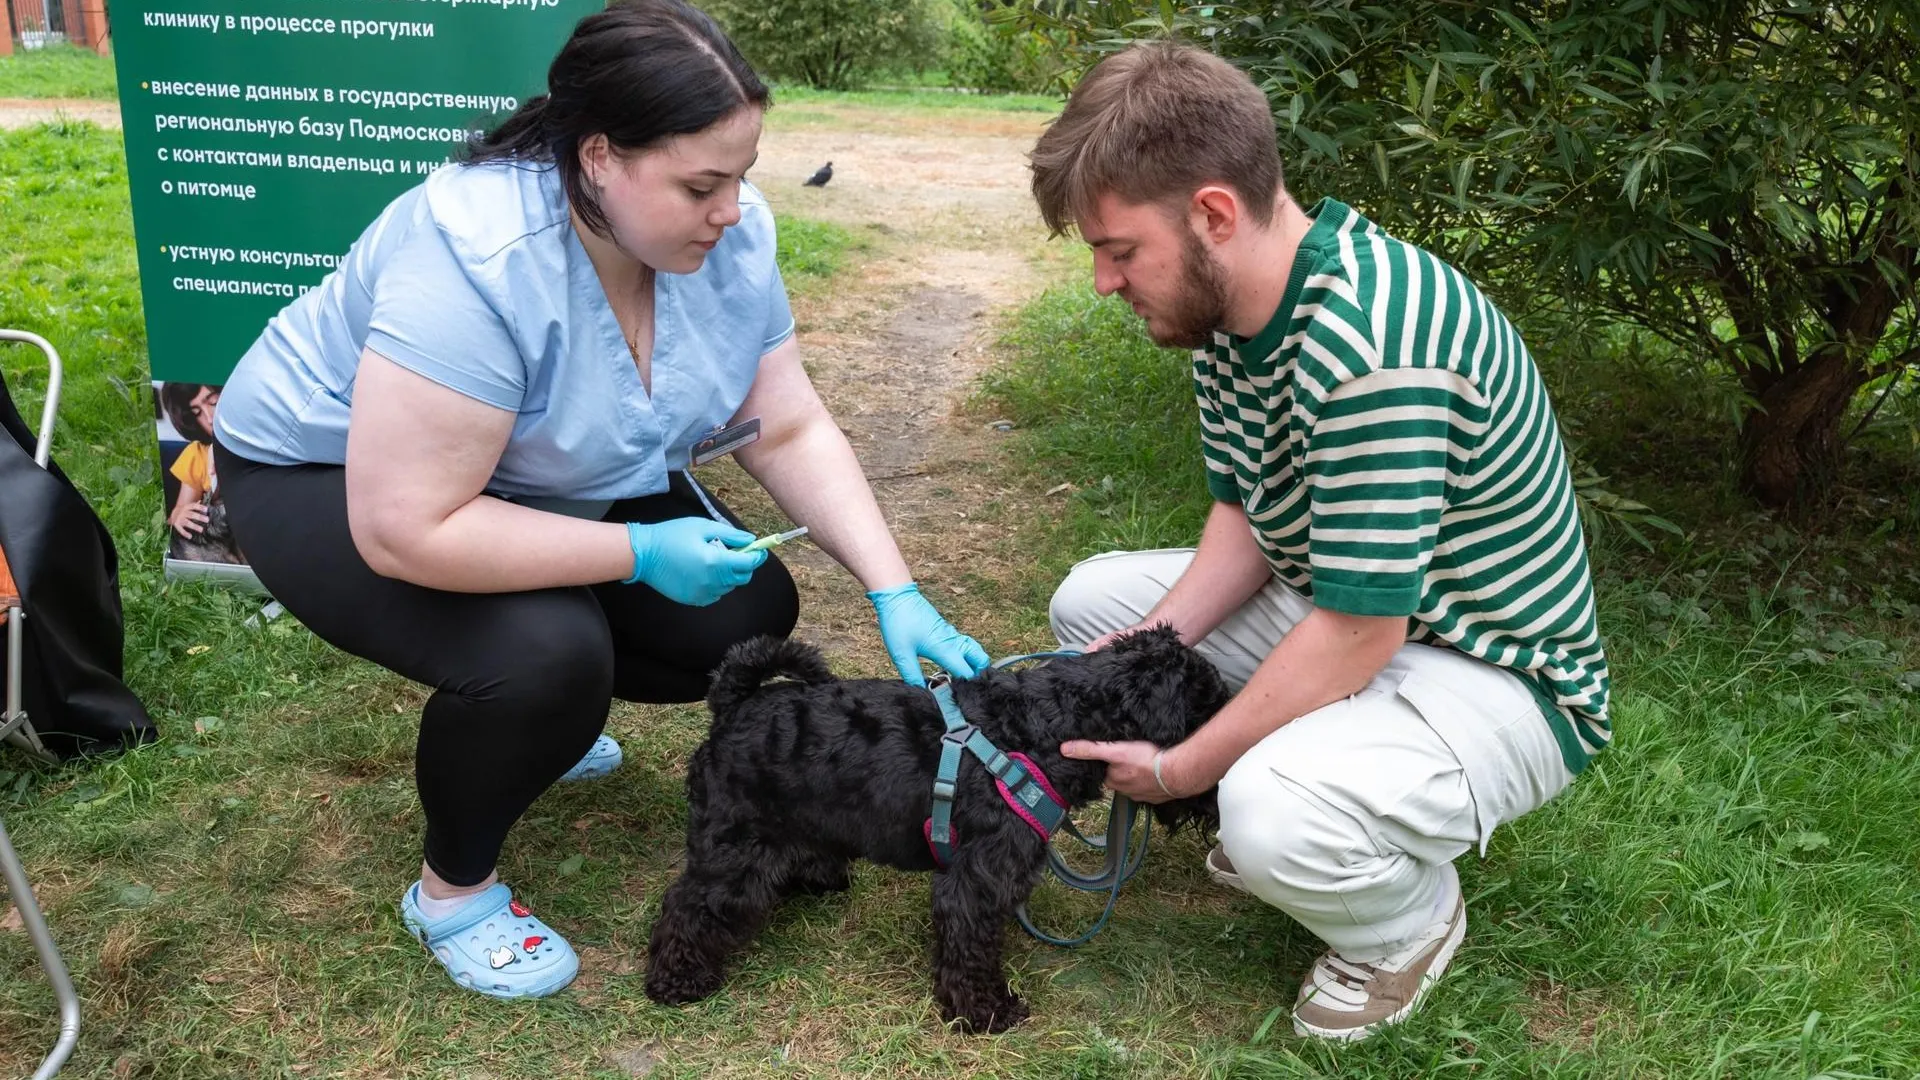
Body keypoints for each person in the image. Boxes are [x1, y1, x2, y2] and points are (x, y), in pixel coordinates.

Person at [211, 0, 986, 1000]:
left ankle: (540, 726)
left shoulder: (726, 239)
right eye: (703, 185)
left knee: (747, 612)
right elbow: (411, 526)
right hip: (330, 478)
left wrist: (894, 588)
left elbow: (785, 425)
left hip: (523, 475)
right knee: (545, 656)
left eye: (743, 177)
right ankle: (454, 891)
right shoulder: (478, 256)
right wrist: (635, 556)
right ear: (599, 157)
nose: (733, 211)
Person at [1029, 42, 1610, 1042]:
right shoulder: (1227, 310)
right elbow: (1245, 519)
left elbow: (1358, 635)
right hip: (1369, 617)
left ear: (1212, 213)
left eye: (1119, 250)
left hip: (1498, 673)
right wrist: (1129, 663)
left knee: (1265, 810)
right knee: (1099, 611)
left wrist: (1183, 770)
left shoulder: (1372, 347)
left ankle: (1405, 927)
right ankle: (1325, 783)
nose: (1102, 281)